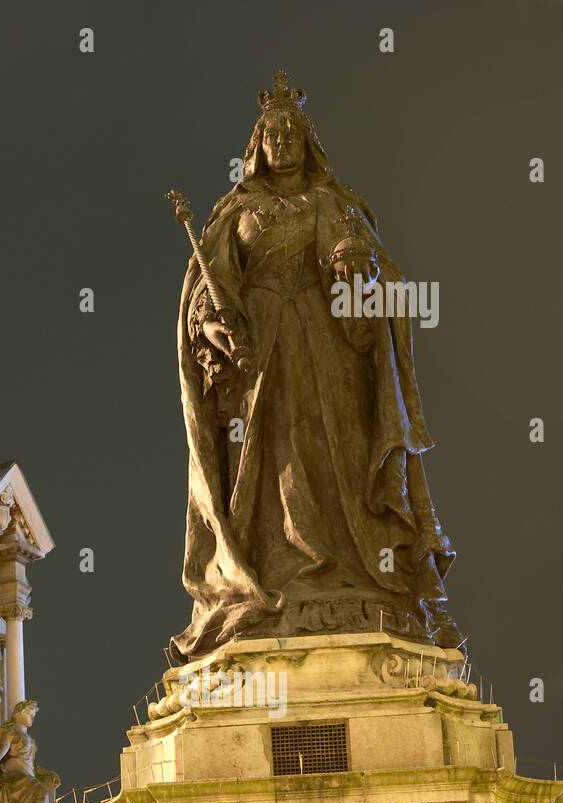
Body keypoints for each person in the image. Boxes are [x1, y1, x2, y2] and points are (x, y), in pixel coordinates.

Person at [171, 71, 463, 663]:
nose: (281, 141)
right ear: (256, 146)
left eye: (290, 132)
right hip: (258, 361)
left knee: (339, 457)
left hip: (328, 351)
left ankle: (352, 576)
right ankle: (276, 581)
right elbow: (208, 289)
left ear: (306, 141)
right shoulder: (237, 212)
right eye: (271, 133)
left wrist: (361, 281)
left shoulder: (336, 204)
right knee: (272, 464)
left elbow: (375, 280)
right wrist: (213, 325)